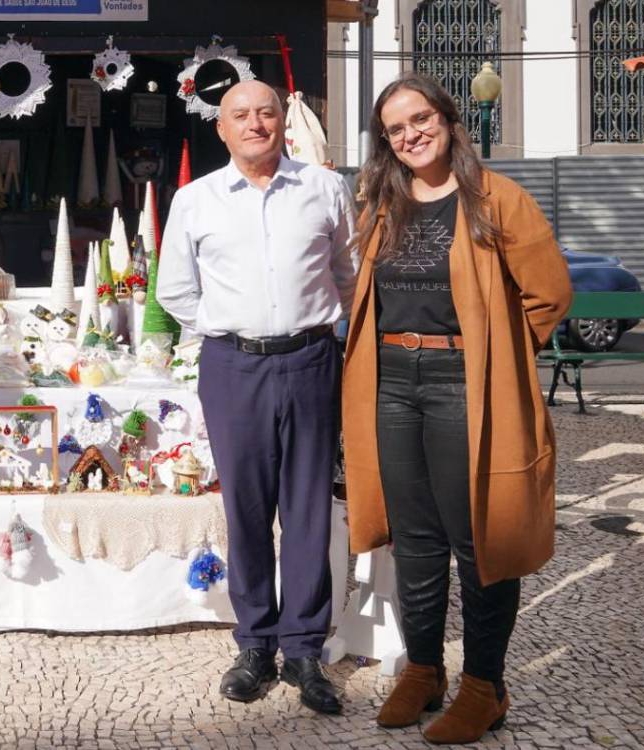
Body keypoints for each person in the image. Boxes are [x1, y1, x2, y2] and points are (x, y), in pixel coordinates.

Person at [341, 73, 571, 744]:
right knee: (414, 541)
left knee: (480, 538)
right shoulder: (382, 204)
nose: (410, 133)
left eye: (420, 118)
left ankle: (483, 686)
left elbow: (548, 294)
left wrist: (499, 353)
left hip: (463, 380)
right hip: (392, 381)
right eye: (394, 128)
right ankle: (422, 670)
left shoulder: (496, 199)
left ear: (446, 119)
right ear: (384, 142)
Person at [158, 80, 358, 715]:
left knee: (307, 509)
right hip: (234, 367)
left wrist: (329, 338)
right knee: (245, 509)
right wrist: (228, 326)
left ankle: (303, 647)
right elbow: (175, 290)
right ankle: (254, 644)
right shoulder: (195, 200)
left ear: (283, 122)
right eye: (240, 115)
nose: (255, 123)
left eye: (266, 112)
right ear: (221, 129)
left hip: (311, 359)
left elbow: (349, 275)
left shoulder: (326, 188)